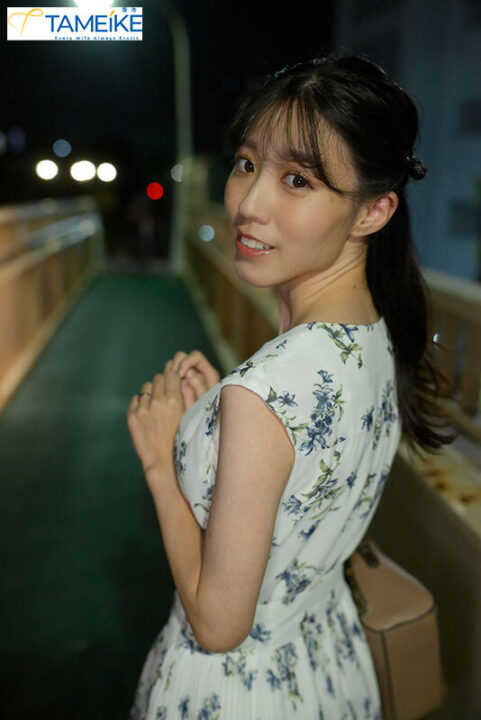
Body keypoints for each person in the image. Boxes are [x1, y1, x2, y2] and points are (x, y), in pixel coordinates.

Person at [126, 52, 456, 719]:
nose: (249, 204)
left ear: (372, 212)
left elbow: (220, 625)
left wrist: (163, 462)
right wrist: (221, 419)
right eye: (247, 164)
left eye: (297, 180)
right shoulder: (373, 335)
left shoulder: (264, 395)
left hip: (237, 693)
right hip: (326, 666)